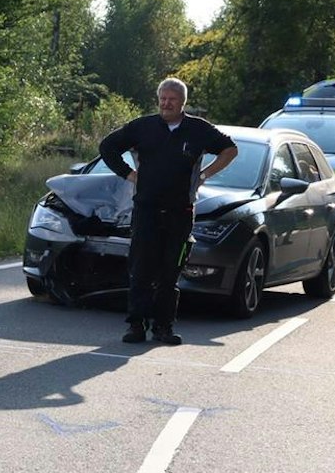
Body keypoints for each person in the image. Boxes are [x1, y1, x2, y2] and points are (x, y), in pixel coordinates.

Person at [97, 77, 237, 346]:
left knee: (170, 271)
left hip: (181, 212)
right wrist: (128, 174)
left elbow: (230, 149)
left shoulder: (198, 129)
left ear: (182, 102)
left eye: (172, 99)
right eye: (162, 98)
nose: (166, 103)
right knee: (140, 269)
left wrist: (205, 174)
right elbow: (108, 147)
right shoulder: (143, 126)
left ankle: (164, 326)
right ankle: (136, 325)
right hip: (146, 210)